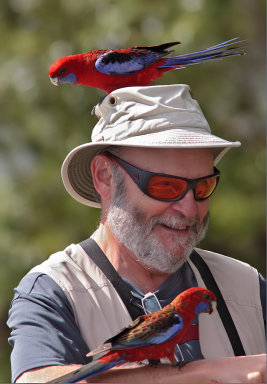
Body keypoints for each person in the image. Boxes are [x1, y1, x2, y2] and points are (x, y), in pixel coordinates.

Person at [7, 84, 266, 383]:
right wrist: (209, 373)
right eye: (165, 186)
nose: (189, 209)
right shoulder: (53, 290)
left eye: (203, 187)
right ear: (105, 177)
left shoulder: (248, 287)